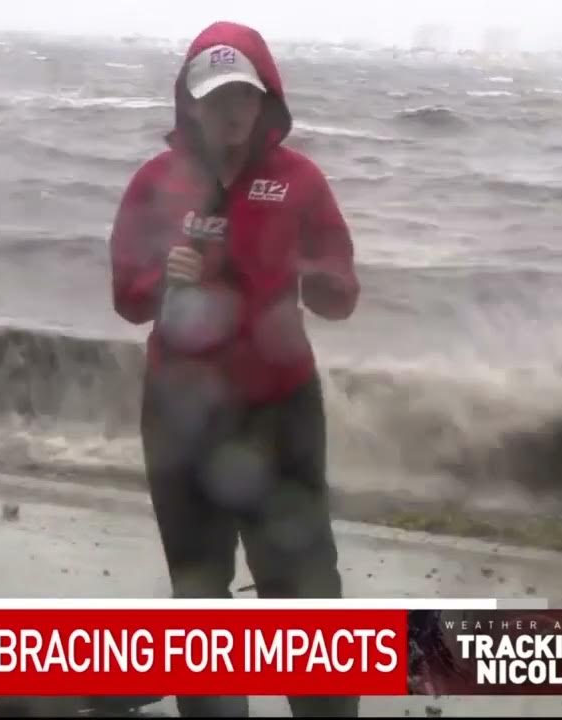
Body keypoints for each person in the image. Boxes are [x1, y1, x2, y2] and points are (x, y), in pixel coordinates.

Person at [108, 20, 361, 718]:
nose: (231, 111)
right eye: (216, 97)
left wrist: (318, 276)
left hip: (279, 410)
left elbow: (342, 288)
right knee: (199, 593)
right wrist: (164, 278)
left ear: (265, 100)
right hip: (179, 413)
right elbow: (127, 299)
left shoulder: (300, 181)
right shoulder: (154, 184)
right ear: (189, 102)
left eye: (243, 96)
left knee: (304, 588)